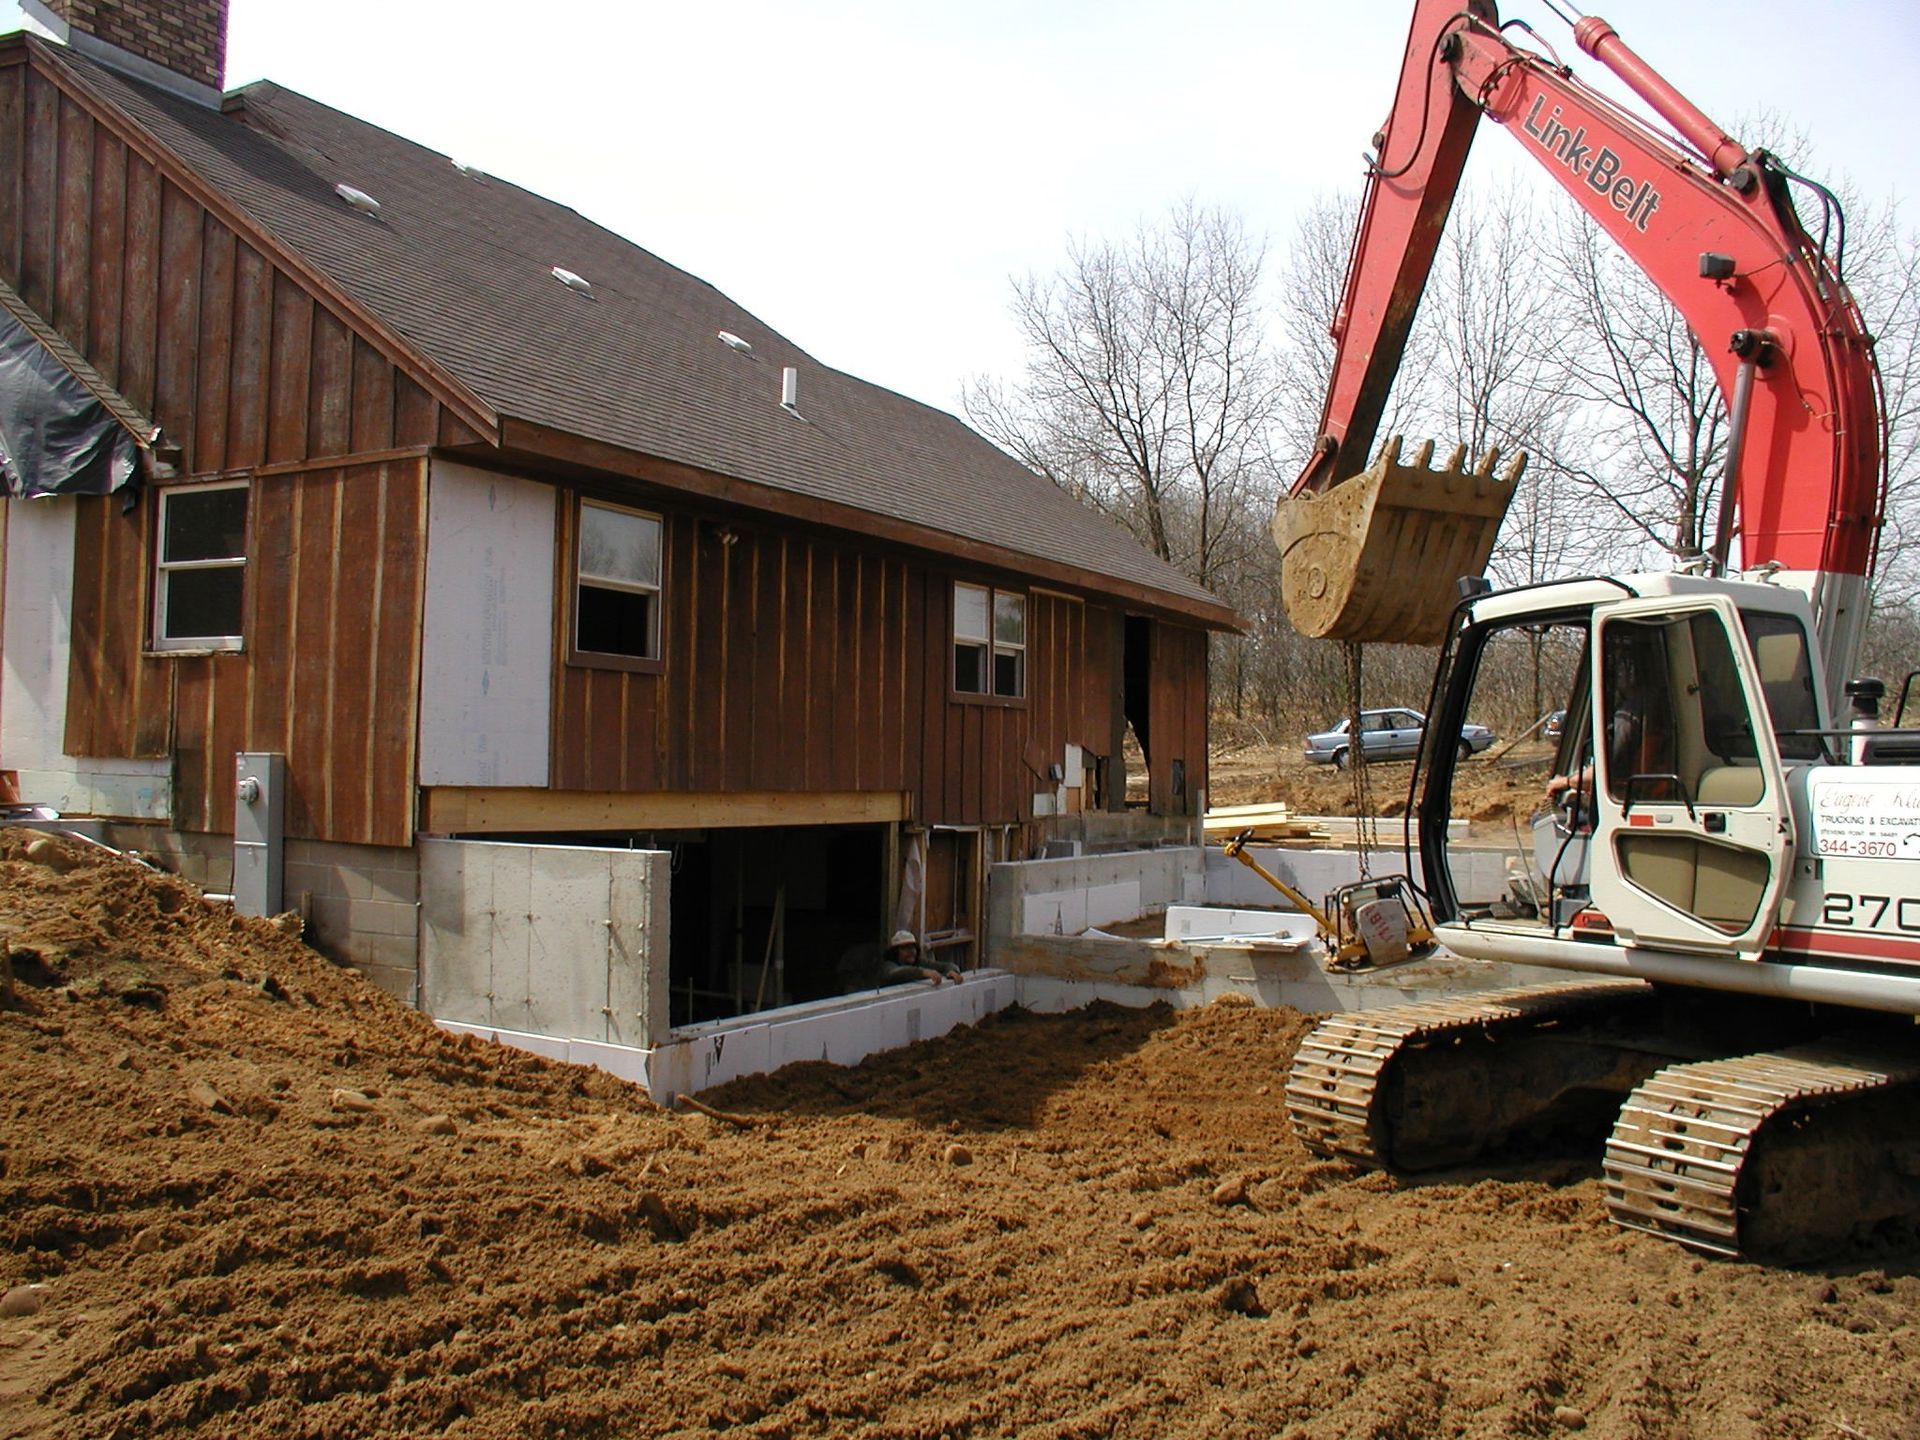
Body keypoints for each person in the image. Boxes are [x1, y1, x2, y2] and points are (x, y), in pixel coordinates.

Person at [836, 929, 960, 993]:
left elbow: (947, 965)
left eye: (913, 947)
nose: (911, 951)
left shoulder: (918, 962)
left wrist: (951, 972)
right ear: (895, 952)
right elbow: (897, 973)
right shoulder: (887, 965)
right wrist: (924, 973)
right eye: (905, 948)